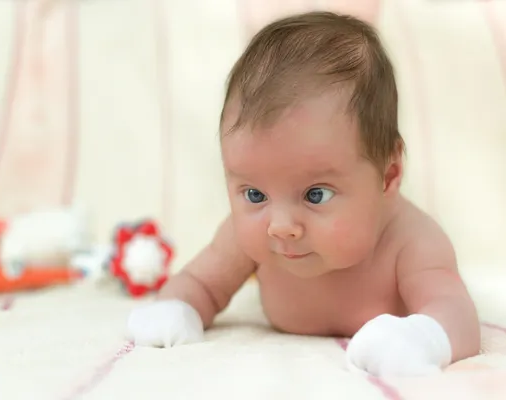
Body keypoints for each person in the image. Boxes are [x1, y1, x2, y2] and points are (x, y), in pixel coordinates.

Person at [126, 11, 480, 377]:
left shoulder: (412, 243)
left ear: (388, 176)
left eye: (315, 195)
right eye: (254, 194)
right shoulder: (242, 237)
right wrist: (178, 308)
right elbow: (200, 284)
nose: (280, 226)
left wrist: (424, 338)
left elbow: (457, 314)